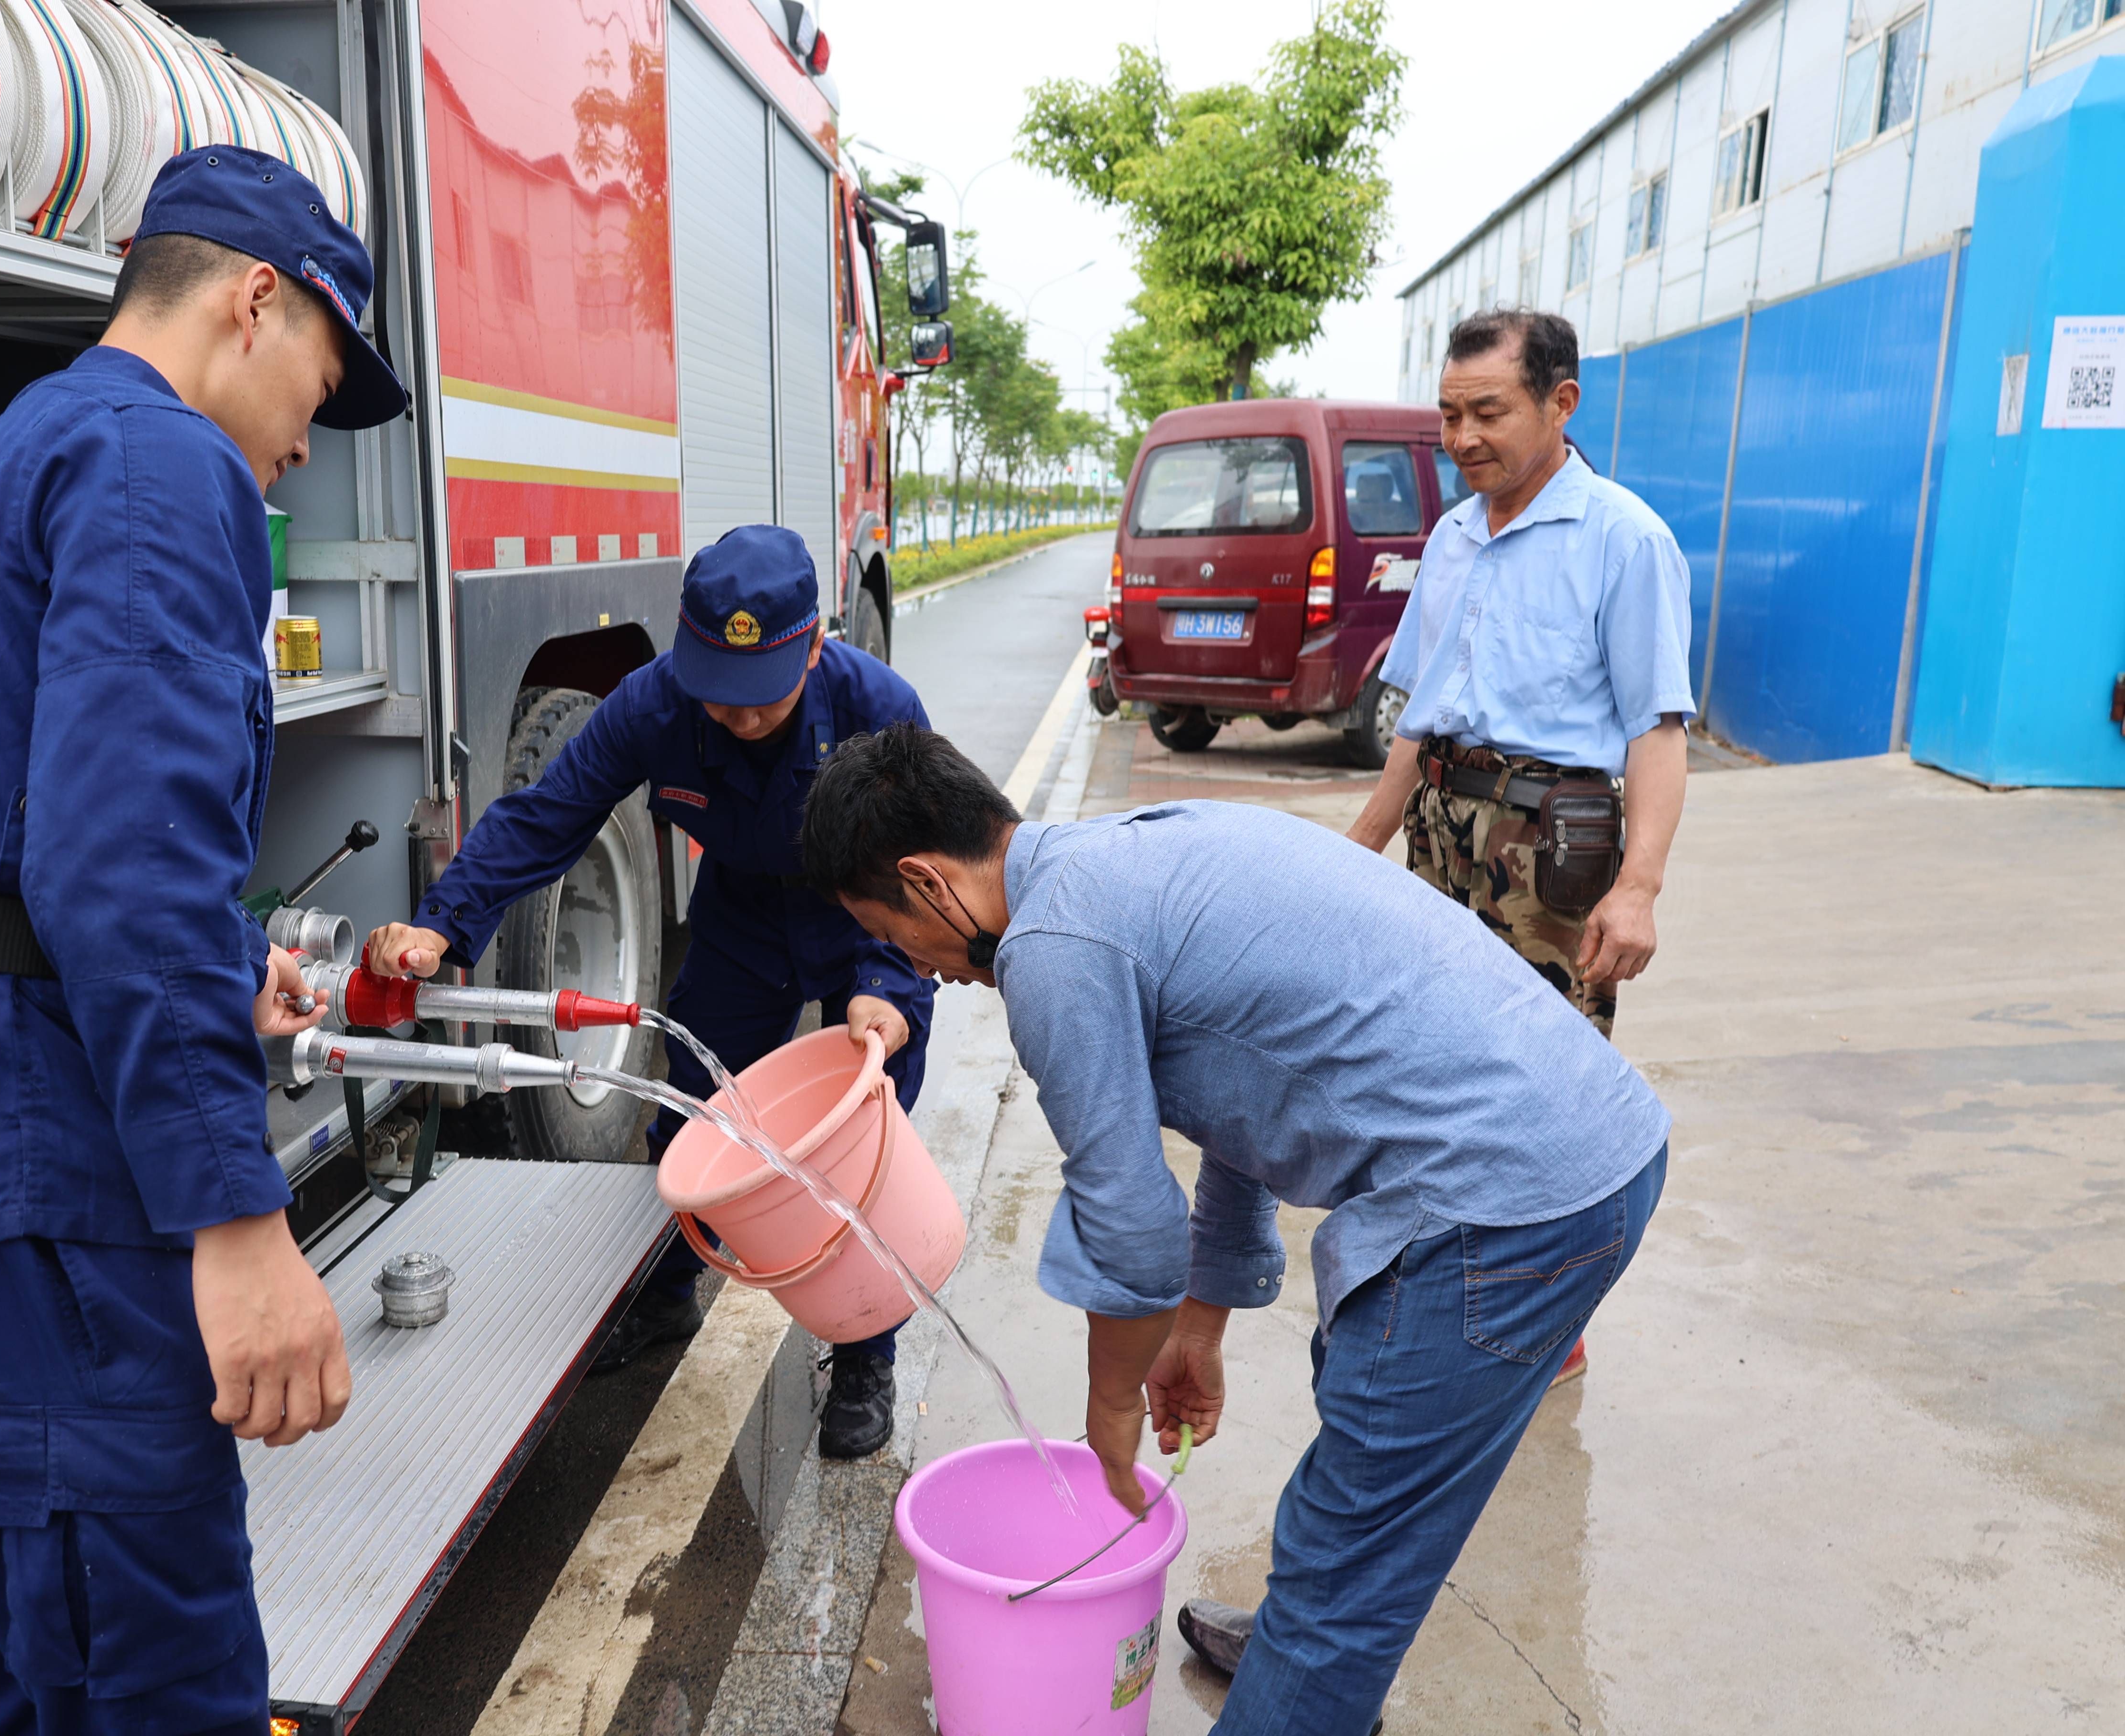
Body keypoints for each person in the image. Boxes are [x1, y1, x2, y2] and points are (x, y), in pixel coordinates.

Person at [0, 147, 408, 1733]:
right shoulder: (162, 464)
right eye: (325, 374)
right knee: (145, 1691)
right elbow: (124, 864)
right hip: (6, 1199)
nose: (311, 438)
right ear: (258, 298)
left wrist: (204, 974)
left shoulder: (29, 439)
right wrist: (238, 1222)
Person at [800, 725, 1670, 1736]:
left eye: (896, 937)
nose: (925, 971)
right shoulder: (1135, 851)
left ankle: (1309, 1667)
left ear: (927, 881)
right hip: (1585, 1142)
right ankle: (1306, 1645)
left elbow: (1127, 1228)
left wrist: (1110, 1402)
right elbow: (1241, 1102)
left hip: (1511, 1204)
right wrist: (1200, 1326)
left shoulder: (1053, 950)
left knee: (1350, 1557)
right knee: (1362, 1456)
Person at [362, 526, 935, 1459]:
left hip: (861, 918)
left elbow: (922, 869)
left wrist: (887, 986)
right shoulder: (657, 704)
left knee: (865, 1151)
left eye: (760, 697)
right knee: (693, 1122)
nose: (737, 716)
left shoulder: (878, 708)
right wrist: (442, 923)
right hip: (743, 922)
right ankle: (666, 1295)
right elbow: (547, 817)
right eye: (718, 690)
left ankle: (865, 1352)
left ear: (816, 648)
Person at [1343, 306, 1694, 1410]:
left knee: (1547, 1083)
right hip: (1443, 828)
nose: (1463, 437)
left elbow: (1658, 731)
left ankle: (1549, 1320)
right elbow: (1421, 719)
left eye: (1488, 412)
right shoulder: (1455, 538)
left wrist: (1637, 888)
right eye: (1449, 414)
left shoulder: (1624, 539)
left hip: (1552, 850)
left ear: (1561, 403)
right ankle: (1447, 1283)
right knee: (1420, 1060)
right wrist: (1365, 843)